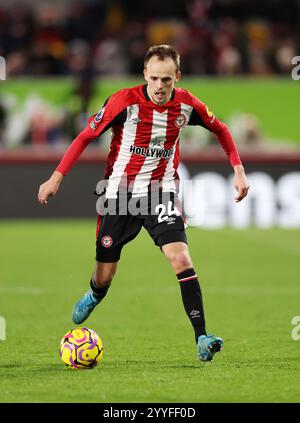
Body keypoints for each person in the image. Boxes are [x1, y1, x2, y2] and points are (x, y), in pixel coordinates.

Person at [38, 45, 249, 362]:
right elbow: (85, 136)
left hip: (160, 193)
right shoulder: (124, 102)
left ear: (176, 76)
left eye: (167, 79)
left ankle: (202, 337)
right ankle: (96, 293)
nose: (160, 86)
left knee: (181, 259)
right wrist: (56, 177)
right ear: (145, 76)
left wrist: (238, 169)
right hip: (120, 196)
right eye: (154, 79)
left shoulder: (187, 105)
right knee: (104, 275)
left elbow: (222, 129)